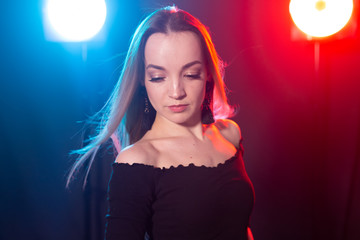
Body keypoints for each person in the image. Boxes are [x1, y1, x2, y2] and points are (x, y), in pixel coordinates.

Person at [68, 6, 254, 240]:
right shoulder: (139, 160)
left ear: (207, 72)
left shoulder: (229, 135)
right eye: (158, 77)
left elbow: (241, 229)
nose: (176, 92)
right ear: (142, 81)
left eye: (190, 74)